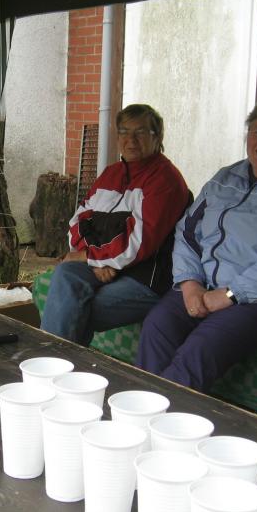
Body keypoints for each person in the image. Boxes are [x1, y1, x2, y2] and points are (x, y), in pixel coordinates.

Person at [136, 94, 257, 392]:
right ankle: (141, 406)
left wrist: (231, 293)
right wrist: (189, 283)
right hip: (203, 286)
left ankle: (164, 415)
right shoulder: (225, 178)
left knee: (200, 350)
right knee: (157, 327)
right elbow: (187, 232)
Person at [40, 103, 190, 346]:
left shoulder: (165, 180)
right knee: (66, 274)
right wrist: (96, 261)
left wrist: (88, 258)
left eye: (140, 132)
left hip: (145, 278)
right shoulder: (111, 173)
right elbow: (78, 222)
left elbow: (138, 243)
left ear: (158, 137)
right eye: (124, 132)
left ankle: (50, 361)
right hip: (104, 266)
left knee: (75, 308)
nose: (131, 140)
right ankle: (59, 363)